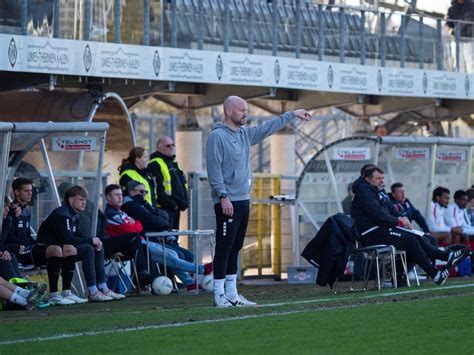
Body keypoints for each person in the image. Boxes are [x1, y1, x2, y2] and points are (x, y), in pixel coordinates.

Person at [206, 95, 311, 307]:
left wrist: (291, 114)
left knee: (235, 248)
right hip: (228, 201)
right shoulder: (217, 137)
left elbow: (267, 127)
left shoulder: (244, 134)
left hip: (243, 199)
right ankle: (218, 295)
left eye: (246, 110)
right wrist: (223, 196)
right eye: (242, 110)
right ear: (229, 112)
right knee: (224, 247)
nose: (246, 113)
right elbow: (214, 168)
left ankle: (232, 294)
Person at [351, 166, 469, 286]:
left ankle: (444, 259)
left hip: (383, 229)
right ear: (368, 179)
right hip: (370, 234)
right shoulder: (364, 191)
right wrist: (399, 221)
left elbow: (391, 208)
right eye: (378, 178)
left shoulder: (377, 189)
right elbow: (377, 215)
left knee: (421, 238)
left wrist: (402, 218)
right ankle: (436, 273)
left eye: (382, 178)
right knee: (410, 240)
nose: (382, 181)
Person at [37, 185, 124, 303]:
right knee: (88, 247)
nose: (84, 203)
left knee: (97, 246)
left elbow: (77, 236)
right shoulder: (62, 214)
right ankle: (92, 291)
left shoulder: (75, 215)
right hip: (46, 249)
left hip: (63, 249)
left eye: (85, 200)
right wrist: (90, 241)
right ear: (71, 200)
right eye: (81, 199)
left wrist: (94, 241)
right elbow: (67, 239)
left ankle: (103, 287)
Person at [122, 182, 212, 292]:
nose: (144, 194)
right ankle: (200, 270)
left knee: (174, 255)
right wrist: (159, 219)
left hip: (147, 241)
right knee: (172, 255)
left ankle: (190, 282)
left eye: (146, 191)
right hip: (140, 244)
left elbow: (162, 217)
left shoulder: (144, 204)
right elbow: (148, 221)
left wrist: (159, 219)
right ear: (132, 192)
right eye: (141, 191)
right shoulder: (130, 206)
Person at [4, 179, 76, 305]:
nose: (30, 193)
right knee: (56, 250)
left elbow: (26, 234)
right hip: (20, 252)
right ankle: (54, 294)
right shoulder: (11, 211)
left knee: (70, 249)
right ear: (16, 192)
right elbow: (10, 238)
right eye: (26, 191)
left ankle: (67, 291)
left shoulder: (25, 210)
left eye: (31, 191)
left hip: (30, 247)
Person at [104, 184, 157, 286]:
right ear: (108, 197)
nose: (120, 197)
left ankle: (151, 280)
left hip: (138, 244)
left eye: (121, 195)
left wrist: (133, 224)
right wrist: (131, 223)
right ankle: (144, 275)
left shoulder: (120, 211)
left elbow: (140, 225)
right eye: (116, 195)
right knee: (171, 256)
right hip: (120, 247)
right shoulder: (110, 213)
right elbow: (129, 229)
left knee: (172, 255)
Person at [148, 136, 189, 230]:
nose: (171, 147)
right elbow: (158, 188)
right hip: (164, 209)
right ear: (159, 147)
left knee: (174, 236)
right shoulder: (155, 163)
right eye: (168, 146)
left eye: (173, 145)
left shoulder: (173, 163)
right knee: (167, 238)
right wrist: (172, 205)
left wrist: (183, 203)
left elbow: (181, 184)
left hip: (175, 208)